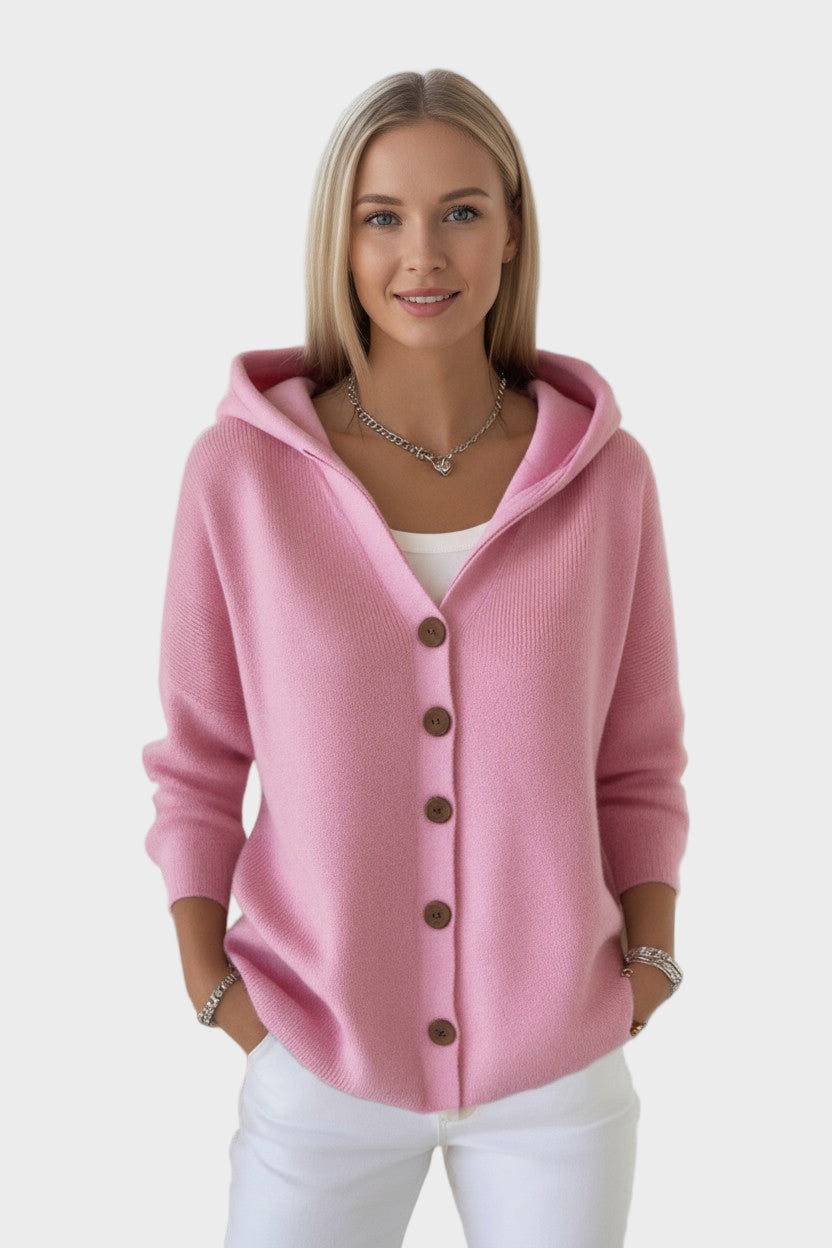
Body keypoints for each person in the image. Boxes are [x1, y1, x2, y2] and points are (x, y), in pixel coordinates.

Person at [142, 67, 689, 1248]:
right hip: (317, 1059)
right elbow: (199, 762)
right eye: (381, 216)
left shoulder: (605, 480)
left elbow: (637, 760)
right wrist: (214, 991)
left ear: (512, 231)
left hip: (556, 1077)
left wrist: (648, 963)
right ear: (339, 240)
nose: (421, 254)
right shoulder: (240, 476)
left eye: (461, 211)